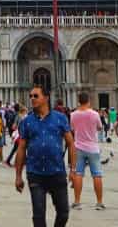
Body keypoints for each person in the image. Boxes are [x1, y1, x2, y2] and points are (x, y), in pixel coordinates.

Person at [12, 83, 72, 227]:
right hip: (35, 173)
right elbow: (21, 148)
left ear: (46, 97)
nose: (32, 98)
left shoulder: (60, 118)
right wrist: (18, 176)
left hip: (57, 171)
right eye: (31, 96)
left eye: (36, 96)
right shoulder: (26, 122)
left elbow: (71, 143)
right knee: (38, 216)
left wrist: (74, 169)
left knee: (63, 213)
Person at [67, 93, 103, 211]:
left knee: (78, 174)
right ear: (88, 101)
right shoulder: (95, 114)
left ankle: (77, 202)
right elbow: (99, 127)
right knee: (97, 175)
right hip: (93, 148)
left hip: (78, 147)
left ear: (78, 101)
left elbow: (72, 128)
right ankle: (99, 203)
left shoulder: (73, 115)